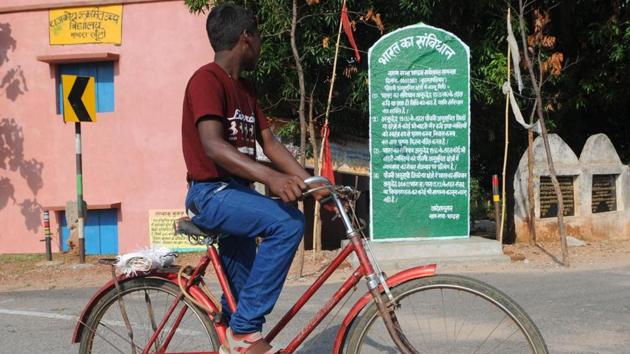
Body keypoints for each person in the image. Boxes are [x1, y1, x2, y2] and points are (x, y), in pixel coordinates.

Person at [181, 4, 323, 354]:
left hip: (236, 197)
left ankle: (238, 331)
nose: (260, 42)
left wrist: (313, 183)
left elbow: (270, 144)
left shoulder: (246, 89)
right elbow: (213, 145)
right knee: (288, 222)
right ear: (246, 37)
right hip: (211, 193)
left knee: (240, 304)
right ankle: (243, 333)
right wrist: (270, 179)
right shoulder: (206, 80)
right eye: (258, 35)